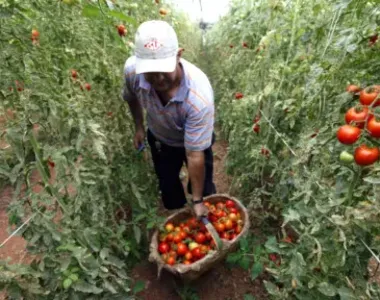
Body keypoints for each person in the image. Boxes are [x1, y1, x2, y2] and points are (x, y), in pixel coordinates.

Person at [122, 20, 216, 218]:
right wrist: (139, 126)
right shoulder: (132, 72)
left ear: (178, 55)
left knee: (204, 190)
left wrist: (197, 201)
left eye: (163, 69)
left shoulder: (198, 98)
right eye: (150, 71)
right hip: (161, 138)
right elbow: (131, 98)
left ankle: (200, 206)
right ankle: (178, 216)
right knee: (169, 187)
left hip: (195, 143)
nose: (158, 78)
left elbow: (194, 154)